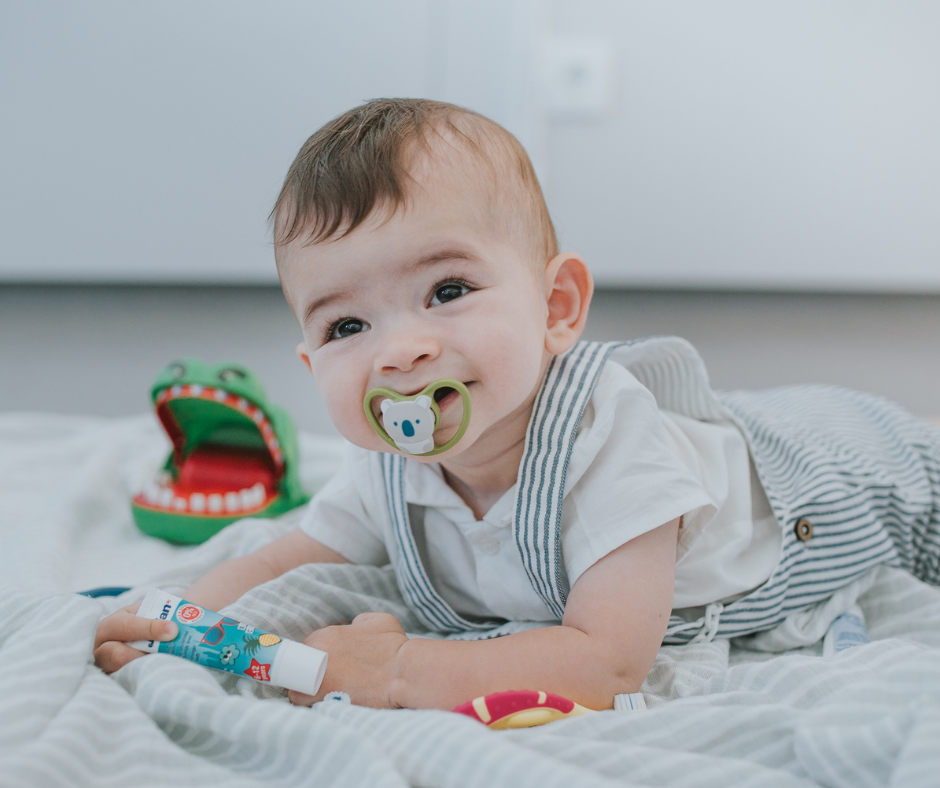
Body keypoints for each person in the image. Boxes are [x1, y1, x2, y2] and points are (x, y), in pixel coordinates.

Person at [94, 99, 940, 711]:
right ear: (312, 360)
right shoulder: (391, 461)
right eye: (349, 323)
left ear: (557, 307)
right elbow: (291, 554)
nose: (400, 350)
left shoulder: (609, 444)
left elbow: (606, 663)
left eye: (448, 288)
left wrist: (394, 672)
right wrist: (178, 617)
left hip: (865, 477)